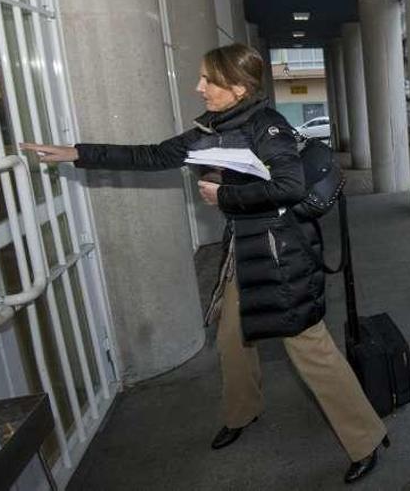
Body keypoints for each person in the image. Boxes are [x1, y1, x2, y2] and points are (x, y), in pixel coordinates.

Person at [21, 43, 388, 485]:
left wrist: (225, 195)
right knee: (232, 336)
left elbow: (290, 187)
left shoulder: (266, 126)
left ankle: (366, 438)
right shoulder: (213, 126)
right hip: (246, 248)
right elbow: (153, 156)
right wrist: (76, 153)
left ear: (236, 87)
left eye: (207, 80)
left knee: (309, 347)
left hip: (280, 251)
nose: (198, 88)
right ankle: (243, 412)